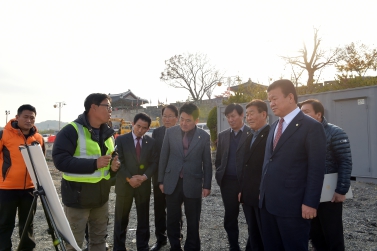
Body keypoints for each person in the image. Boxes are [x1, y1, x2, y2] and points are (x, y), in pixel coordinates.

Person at [258, 80, 326, 251]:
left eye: (274, 98)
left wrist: (310, 202)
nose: (271, 104)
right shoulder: (274, 126)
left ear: (290, 97)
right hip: (269, 204)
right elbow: (269, 161)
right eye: (269, 99)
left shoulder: (312, 127)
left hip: (293, 207)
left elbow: (316, 168)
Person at [52, 93, 120, 251]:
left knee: (99, 242)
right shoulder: (71, 130)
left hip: (101, 199)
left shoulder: (108, 133)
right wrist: (94, 164)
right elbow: (60, 161)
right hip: (77, 199)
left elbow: (111, 158)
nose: (111, 110)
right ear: (93, 108)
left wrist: (114, 166)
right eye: (108, 106)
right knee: (73, 245)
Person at [158, 102, 212, 251]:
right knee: (173, 219)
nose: (183, 123)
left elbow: (207, 163)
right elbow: (164, 157)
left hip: (193, 182)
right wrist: (161, 180)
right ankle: (175, 246)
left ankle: (192, 247)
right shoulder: (170, 133)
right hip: (172, 182)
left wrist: (207, 185)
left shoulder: (204, 136)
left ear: (196, 120)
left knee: (193, 219)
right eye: (182, 119)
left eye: (188, 120)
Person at [300, 99, 352, 251]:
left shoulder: (336, 132)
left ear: (318, 114)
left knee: (332, 233)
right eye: (301, 112)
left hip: (330, 193)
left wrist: (341, 190)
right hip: (310, 193)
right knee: (314, 233)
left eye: (306, 112)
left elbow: (345, 162)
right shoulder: (303, 134)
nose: (303, 116)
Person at [0, 104, 45, 251]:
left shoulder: (38, 138)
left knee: (27, 224)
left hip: (30, 190)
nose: (29, 120)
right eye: (25, 117)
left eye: (32, 117)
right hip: (7, 189)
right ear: (17, 117)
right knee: (5, 223)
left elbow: (41, 162)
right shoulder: (4, 135)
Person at [113, 112, 158, 251]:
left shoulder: (151, 142)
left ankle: (142, 246)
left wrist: (144, 177)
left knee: (143, 219)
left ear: (148, 129)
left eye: (144, 128)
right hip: (124, 185)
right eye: (138, 126)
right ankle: (119, 247)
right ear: (133, 124)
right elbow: (118, 162)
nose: (140, 130)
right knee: (121, 219)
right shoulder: (121, 140)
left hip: (142, 186)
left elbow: (154, 163)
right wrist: (129, 179)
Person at [215, 103, 251, 251]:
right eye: (228, 117)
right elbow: (218, 160)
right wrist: (219, 174)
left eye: (233, 116)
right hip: (228, 182)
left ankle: (252, 246)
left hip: (247, 183)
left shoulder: (251, 133)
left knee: (251, 217)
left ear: (242, 115)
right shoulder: (223, 135)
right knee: (230, 216)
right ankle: (234, 246)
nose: (230, 119)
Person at [240, 100, 270, 251]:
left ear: (264, 114)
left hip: (262, 195)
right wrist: (242, 191)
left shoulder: (270, 135)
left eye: (252, 114)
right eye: (247, 115)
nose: (248, 118)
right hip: (249, 194)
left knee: (264, 232)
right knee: (253, 230)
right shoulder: (250, 136)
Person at [150, 105, 180, 251]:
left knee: (175, 210)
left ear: (177, 118)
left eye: (170, 116)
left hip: (176, 178)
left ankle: (177, 237)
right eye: (164, 116)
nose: (167, 119)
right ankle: (160, 239)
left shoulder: (182, 132)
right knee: (159, 209)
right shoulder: (157, 132)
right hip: (159, 176)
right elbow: (154, 155)